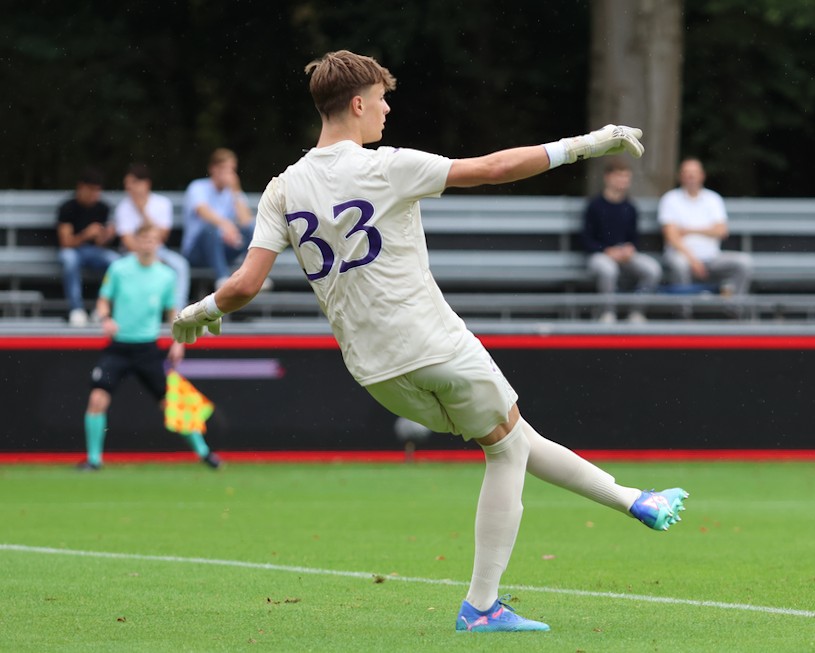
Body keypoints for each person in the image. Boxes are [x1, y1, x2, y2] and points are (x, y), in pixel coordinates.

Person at [170, 50, 688, 633]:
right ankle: (483, 606)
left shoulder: (281, 189)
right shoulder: (385, 166)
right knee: (507, 448)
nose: (388, 110)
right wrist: (587, 145)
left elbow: (243, 287)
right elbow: (493, 169)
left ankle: (632, 499)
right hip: (433, 341)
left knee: (511, 439)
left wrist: (195, 312)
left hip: (374, 371)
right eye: (382, 99)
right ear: (358, 104)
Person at [78, 224, 222, 471]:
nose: (147, 244)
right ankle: (94, 460)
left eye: (152, 239)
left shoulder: (166, 276)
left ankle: (204, 453)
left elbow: (172, 314)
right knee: (97, 398)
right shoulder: (119, 269)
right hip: (119, 347)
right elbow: (103, 301)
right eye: (143, 239)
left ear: (159, 243)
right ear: (135, 241)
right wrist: (105, 319)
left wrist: (178, 343)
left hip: (147, 349)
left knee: (172, 404)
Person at [581, 159, 662, 323]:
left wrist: (629, 249)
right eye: (619, 176)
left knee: (652, 269)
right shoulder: (594, 206)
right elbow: (586, 240)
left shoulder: (630, 207)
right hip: (600, 254)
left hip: (624, 255)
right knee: (608, 270)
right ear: (607, 178)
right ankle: (608, 312)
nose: (623, 181)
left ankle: (636, 312)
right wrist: (607, 250)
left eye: (626, 177)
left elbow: (634, 238)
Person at [657, 158, 752, 295]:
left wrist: (688, 230)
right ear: (680, 176)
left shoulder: (713, 199)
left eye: (694, 173)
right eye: (687, 173)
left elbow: (722, 231)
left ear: (702, 175)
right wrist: (693, 260)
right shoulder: (670, 199)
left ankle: (734, 310)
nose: (691, 176)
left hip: (712, 258)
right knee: (679, 265)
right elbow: (671, 236)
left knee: (744, 262)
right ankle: (684, 313)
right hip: (682, 257)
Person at [114, 163, 192, 307]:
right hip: (131, 254)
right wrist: (146, 254)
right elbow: (128, 243)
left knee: (180, 265)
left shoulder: (162, 203)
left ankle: (177, 310)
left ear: (146, 183)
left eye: (133, 183)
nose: (129, 188)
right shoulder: (122, 207)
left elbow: (162, 237)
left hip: (159, 250)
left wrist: (141, 210)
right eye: (127, 184)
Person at [180, 148, 257, 288]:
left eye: (231, 169)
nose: (228, 174)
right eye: (224, 168)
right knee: (211, 230)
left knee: (249, 230)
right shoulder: (197, 187)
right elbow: (203, 211)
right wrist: (226, 226)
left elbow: (247, 221)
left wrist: (236, 190)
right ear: (213, 169)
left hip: (223, 248)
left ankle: (254, 275)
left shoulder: (233, 192)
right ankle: (222, 278)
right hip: (196, 252)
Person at [57, 168, 120, 326]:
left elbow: (100, 244)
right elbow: (65, 243)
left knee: (116, 262)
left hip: (94, 252)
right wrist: (86, 234)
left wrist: (107, 235)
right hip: (73, 250)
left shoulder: (102, 208)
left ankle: (101, 308)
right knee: (69, 259)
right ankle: (76, 309)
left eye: (97, 191)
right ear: (81, 187)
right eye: (91, 190)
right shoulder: (67, 207)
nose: (94, 195)